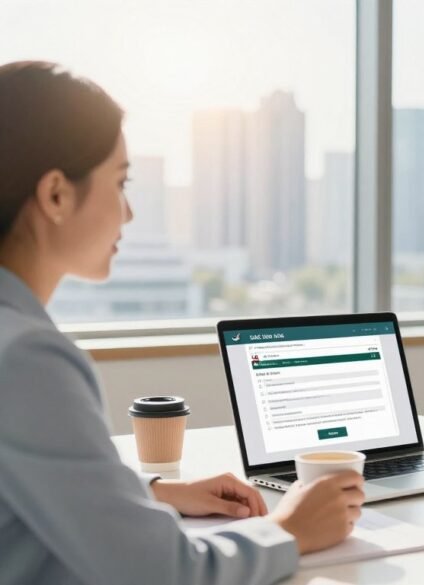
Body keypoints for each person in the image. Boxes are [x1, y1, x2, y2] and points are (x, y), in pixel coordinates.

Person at [0, 61, 364, 585]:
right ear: (56, 194)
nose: (127, 213)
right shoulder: (27, 358)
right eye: (120, 183)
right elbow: (161, 572)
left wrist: (150, 493)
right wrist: (289, 529)